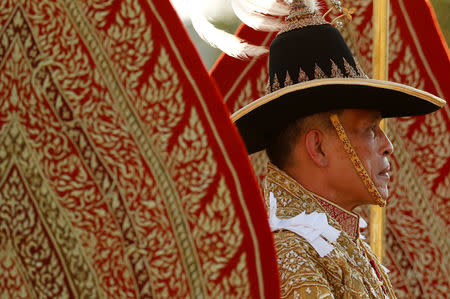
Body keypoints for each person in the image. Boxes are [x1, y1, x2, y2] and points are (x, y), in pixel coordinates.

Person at [229, 0, 446, 298]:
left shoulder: (338, 243)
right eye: (370, 129)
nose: (388, 146)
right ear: (317, 148)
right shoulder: (291, 257)